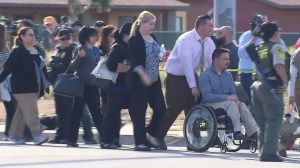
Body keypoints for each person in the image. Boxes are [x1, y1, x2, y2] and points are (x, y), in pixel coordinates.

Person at [152, 15, 215, 149]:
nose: (212, 28)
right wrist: (193, 86)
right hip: (176, 77)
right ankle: (157, 137)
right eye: (210, 25)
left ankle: (193, 141)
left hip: (192, 74)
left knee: (194, 109)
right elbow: (186, 64)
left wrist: (210, 82)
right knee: (175, 107)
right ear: (201, 26)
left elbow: (210, 63)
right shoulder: (185, 39)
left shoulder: (209, 42)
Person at [0, 27, 50, 145]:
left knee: (21, 112)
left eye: (33, 35)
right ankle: (37, 135)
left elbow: (42, 68)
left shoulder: (37, 49)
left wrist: (47, 83)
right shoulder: (17, 51)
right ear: (22, 37)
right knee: (32, 111)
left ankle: (14, 135)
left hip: (35, 87)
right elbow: (7, 69)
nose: (33, 37)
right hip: (22, 87)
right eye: (30, 35)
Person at [127, 11, 166, 151]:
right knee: (139, 112)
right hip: (139, 82)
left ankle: (149, 133)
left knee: (161, 108)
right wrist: (143, 76)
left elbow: (156, 55)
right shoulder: (135, 39)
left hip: (154, 81)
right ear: (141, 23)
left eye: (154, 24)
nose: (153, 26)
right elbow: (136, 62)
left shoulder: (153, 37)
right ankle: (140, 142)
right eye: (150, 24)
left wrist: (162, 57)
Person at [199, 48, 257, 140]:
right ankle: (237, 132)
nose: (228, 61)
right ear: (215, 60)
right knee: (231, 103)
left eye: (228, 59)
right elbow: (207, 96)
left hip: (227, 104)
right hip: (210, 105)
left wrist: (236, 100)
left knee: (241, 105)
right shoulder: (205, 75)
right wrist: (227, 97)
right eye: (225, 59)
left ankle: (254, 133)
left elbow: (233, 94)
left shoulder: (228, 75)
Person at [251, 21, 288, 162]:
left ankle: (262, 151)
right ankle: (270, 153)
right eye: (278, 31)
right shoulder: (277, 47)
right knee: (274, 119)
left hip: (256, 85)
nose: (280, 33)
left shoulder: (260, 46)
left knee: (262, 121)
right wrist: (284, 82)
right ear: (274, 33)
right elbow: (278, 66)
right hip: (270, 86)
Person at [66, 26, 103, 147]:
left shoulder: (97, 50)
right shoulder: (80, 49)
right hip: (81, 86)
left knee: (97, 113)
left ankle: (105, 139)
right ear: (86, 37)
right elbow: (72, 67)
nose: (95, 37)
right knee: (76, 113)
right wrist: (79, 57)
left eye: (96, 35)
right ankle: (71, 140)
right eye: (93, 35)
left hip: (93, 85)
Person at [100, 23, 132, 149]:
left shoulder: (128, 46)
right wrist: (128, 68)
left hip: (125, 86)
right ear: (125, 34)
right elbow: (111, 65)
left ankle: (115, 139)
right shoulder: (118, 47)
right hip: (115, 86)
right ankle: (106, 140)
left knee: (116, 115)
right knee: (111, 113)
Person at [47, 29, 76, 144]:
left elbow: (72, 67)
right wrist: (53, 63)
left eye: (68, 38)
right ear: (58, 39)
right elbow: (52, 65)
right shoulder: (58, 50)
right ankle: (59, 135)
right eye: (63, 38)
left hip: (68, 84)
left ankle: (68, 136)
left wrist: (61, 65)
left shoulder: (73, 49)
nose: (65, 41)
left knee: (68, 111)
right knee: (59, 111)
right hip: (57, 84)